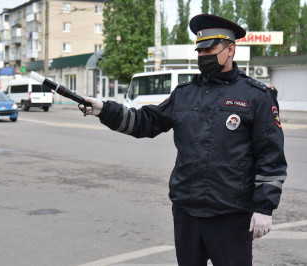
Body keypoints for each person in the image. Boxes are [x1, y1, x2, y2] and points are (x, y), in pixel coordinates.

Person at [80, 14, 287, 266]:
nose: (203, 55)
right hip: (187, 211)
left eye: (210, 49)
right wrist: (104, 109)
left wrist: (264, 207)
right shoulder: (184, 94)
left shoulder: (256, 96)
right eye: (200, 50)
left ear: (230, 49)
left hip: (231, 213)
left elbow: (271, 155)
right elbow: (145, 121)